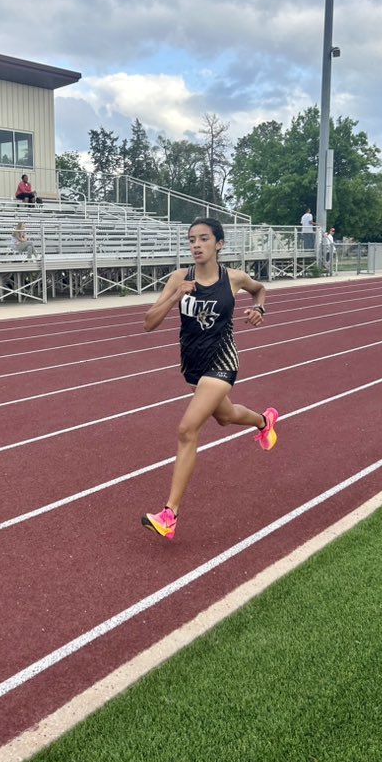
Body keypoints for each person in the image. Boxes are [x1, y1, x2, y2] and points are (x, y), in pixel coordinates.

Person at [141, 217, 278, 541]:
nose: (196, 245)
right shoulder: (179, 277)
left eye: (203, 239)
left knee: (187, 429)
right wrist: (176, 296)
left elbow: (259, 290)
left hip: (222, 361)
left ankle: (169, 514)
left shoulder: (233, 278)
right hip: (192, 365)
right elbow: (148, 322)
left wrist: (260, 310)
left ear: (219, 244)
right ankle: (264, 421)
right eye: (191, 240)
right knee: (225, 417)